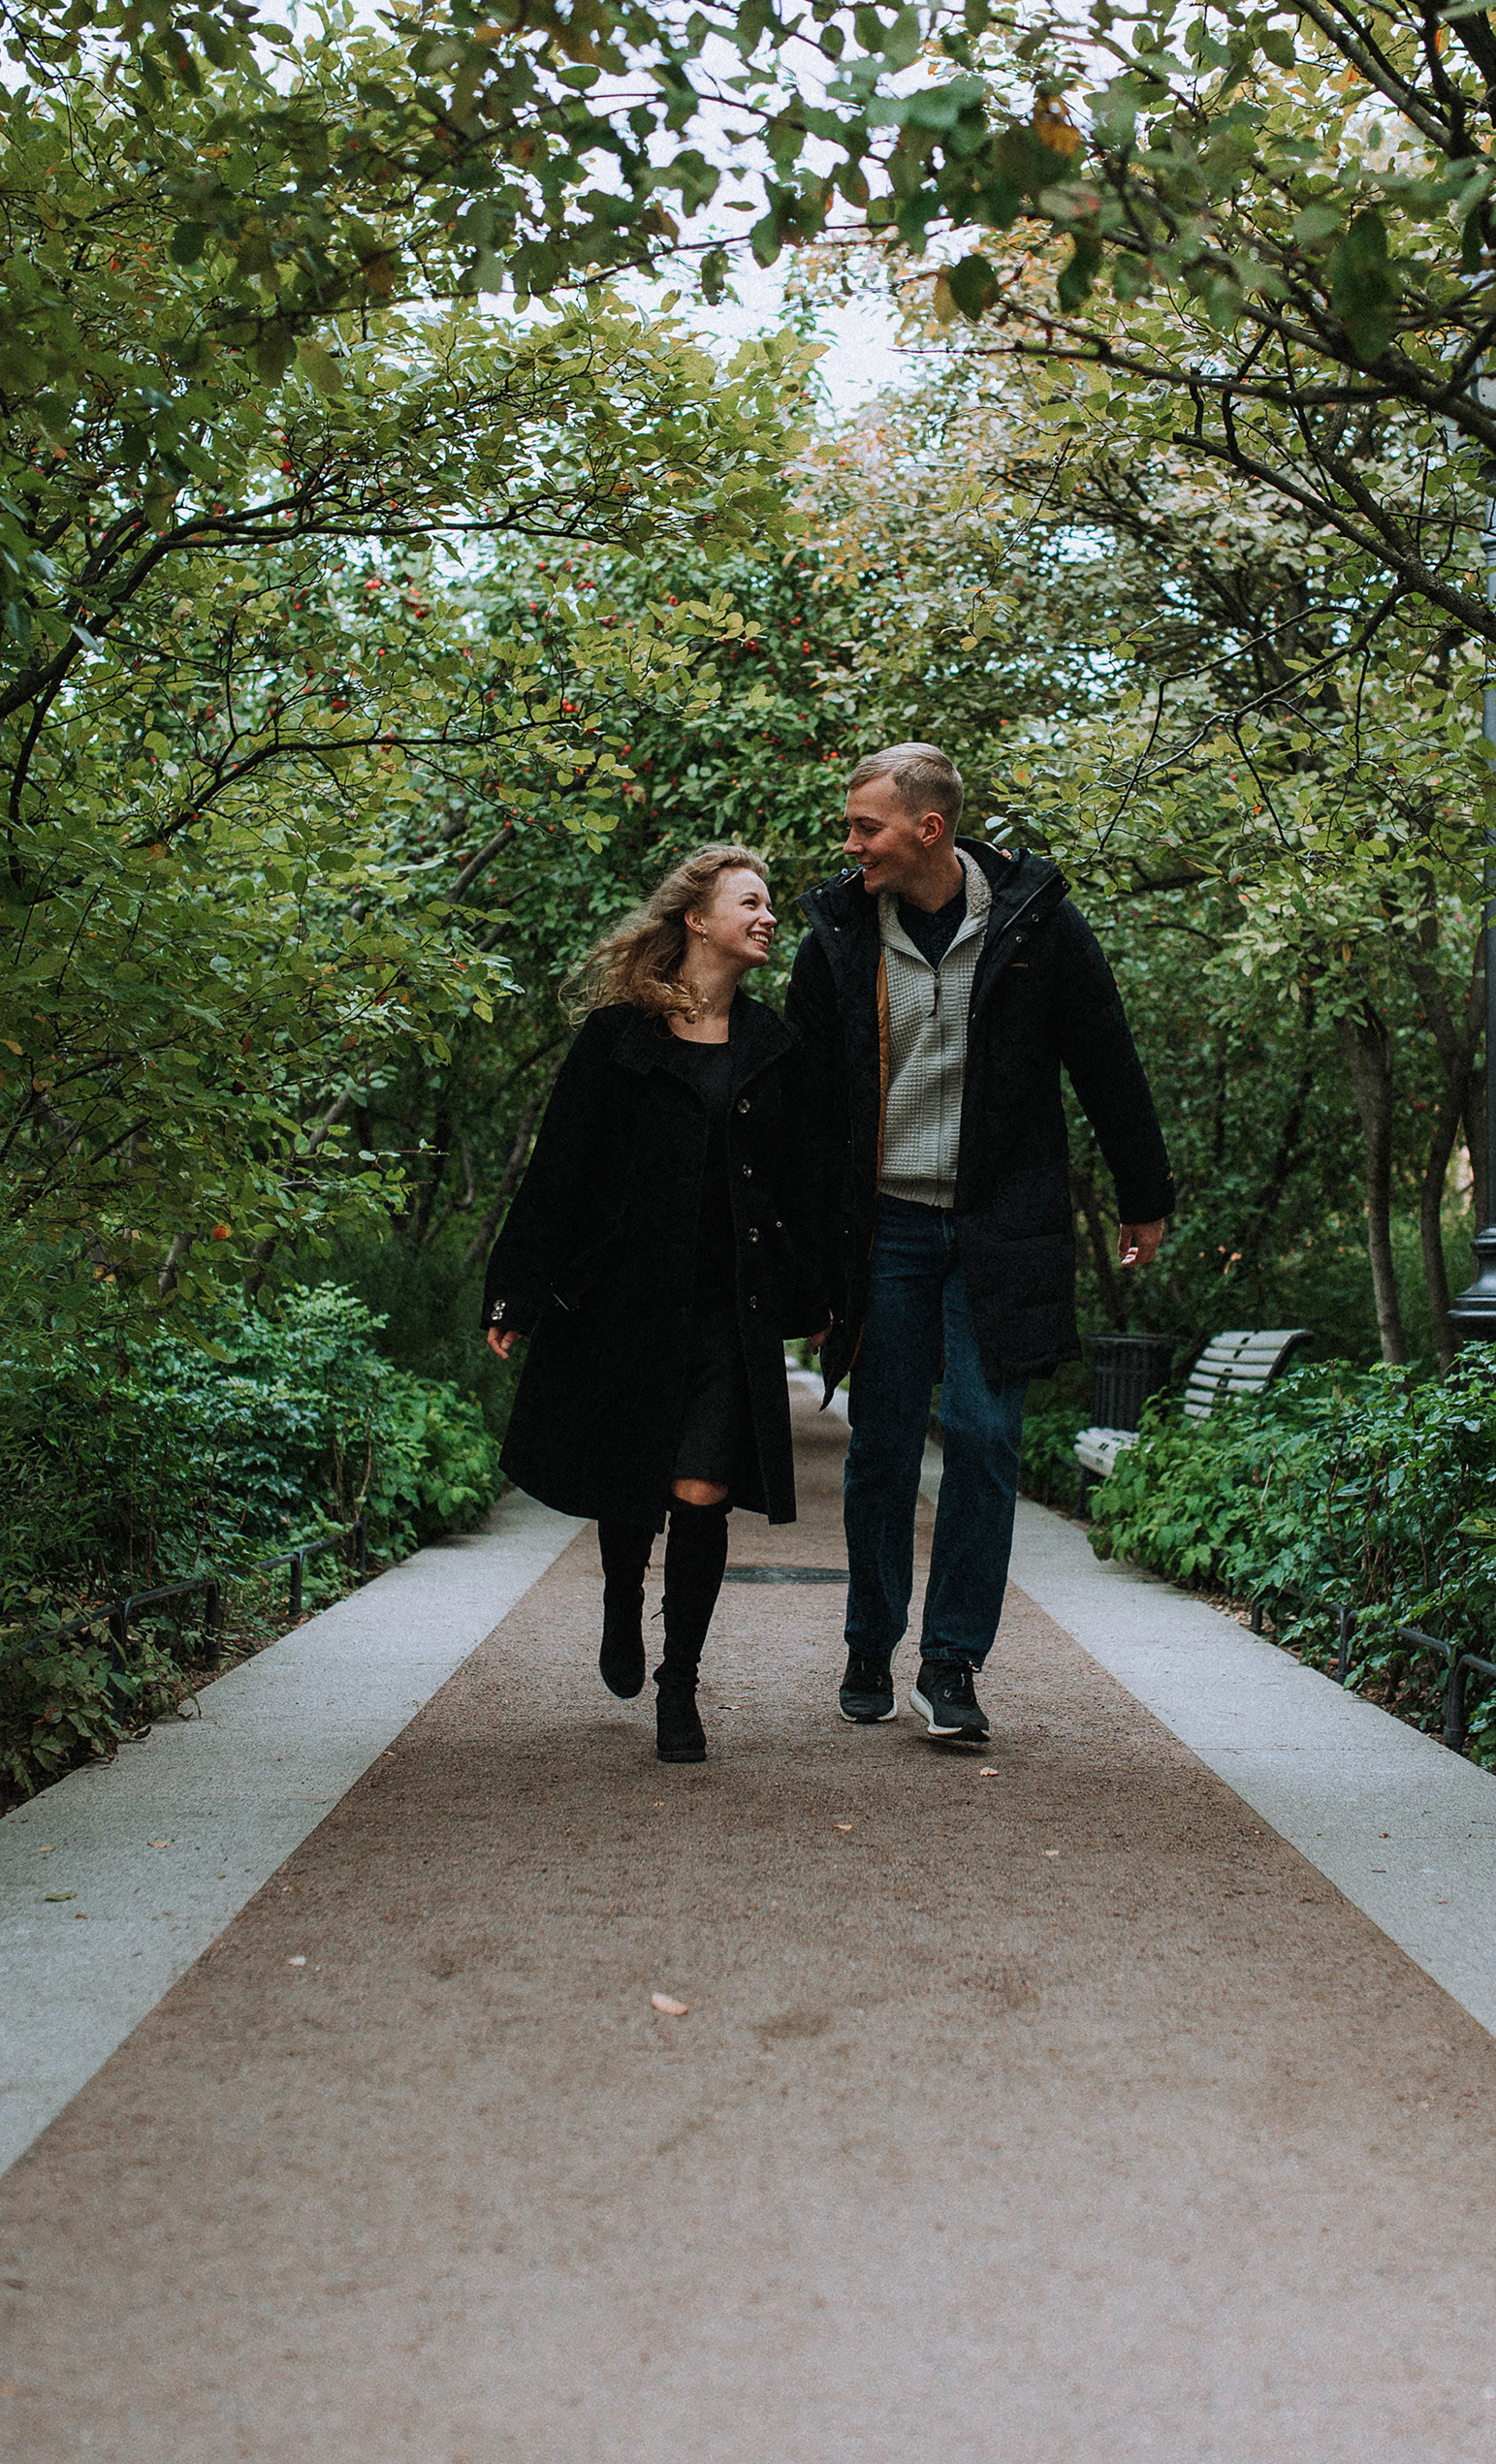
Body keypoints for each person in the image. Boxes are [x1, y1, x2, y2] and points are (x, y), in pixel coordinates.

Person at [786, 743, 1173, 1744]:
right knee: (881, 1445)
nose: (850, 844)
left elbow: (1107, 1055)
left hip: (999, 1224)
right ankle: (869, 1642)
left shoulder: (1035, 922)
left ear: (929, 828)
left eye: (865, 826)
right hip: (884, 1227)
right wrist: (805, 1250)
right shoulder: (837, 935)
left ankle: (951, 1660)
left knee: (985, 1435)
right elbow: (800, 1106)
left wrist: (1144, 1195)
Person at [482, 845, 825, 1765]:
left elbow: (801, 1185)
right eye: (749, 902)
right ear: (696, 919)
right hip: (626, 1302)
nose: (767, 917)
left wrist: (819, 1295)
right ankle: (621, 1597)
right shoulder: (616, 1039)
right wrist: (516, 1288)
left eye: (768, 905)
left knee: (702, 1487)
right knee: (634, 1480)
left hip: (728, 1310)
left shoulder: (773, 1046)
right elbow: (560, 1170)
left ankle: (681, 1686)